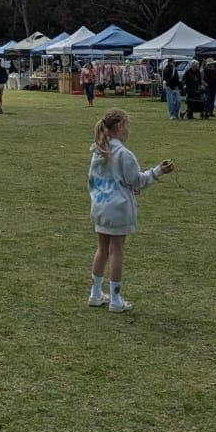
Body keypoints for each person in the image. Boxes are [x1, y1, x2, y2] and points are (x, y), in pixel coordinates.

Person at [87, 109, 174, 312]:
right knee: (116, 251)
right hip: (118, 209)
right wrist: (158, 171)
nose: (128, 132)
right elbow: (137, 181)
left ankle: (95, 293)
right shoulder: (123, 154)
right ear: (119, 127)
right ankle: (115, 300)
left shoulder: (99, 150)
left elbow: (96, 180)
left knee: (102, 250)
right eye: (127, 127)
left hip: (100, 207)